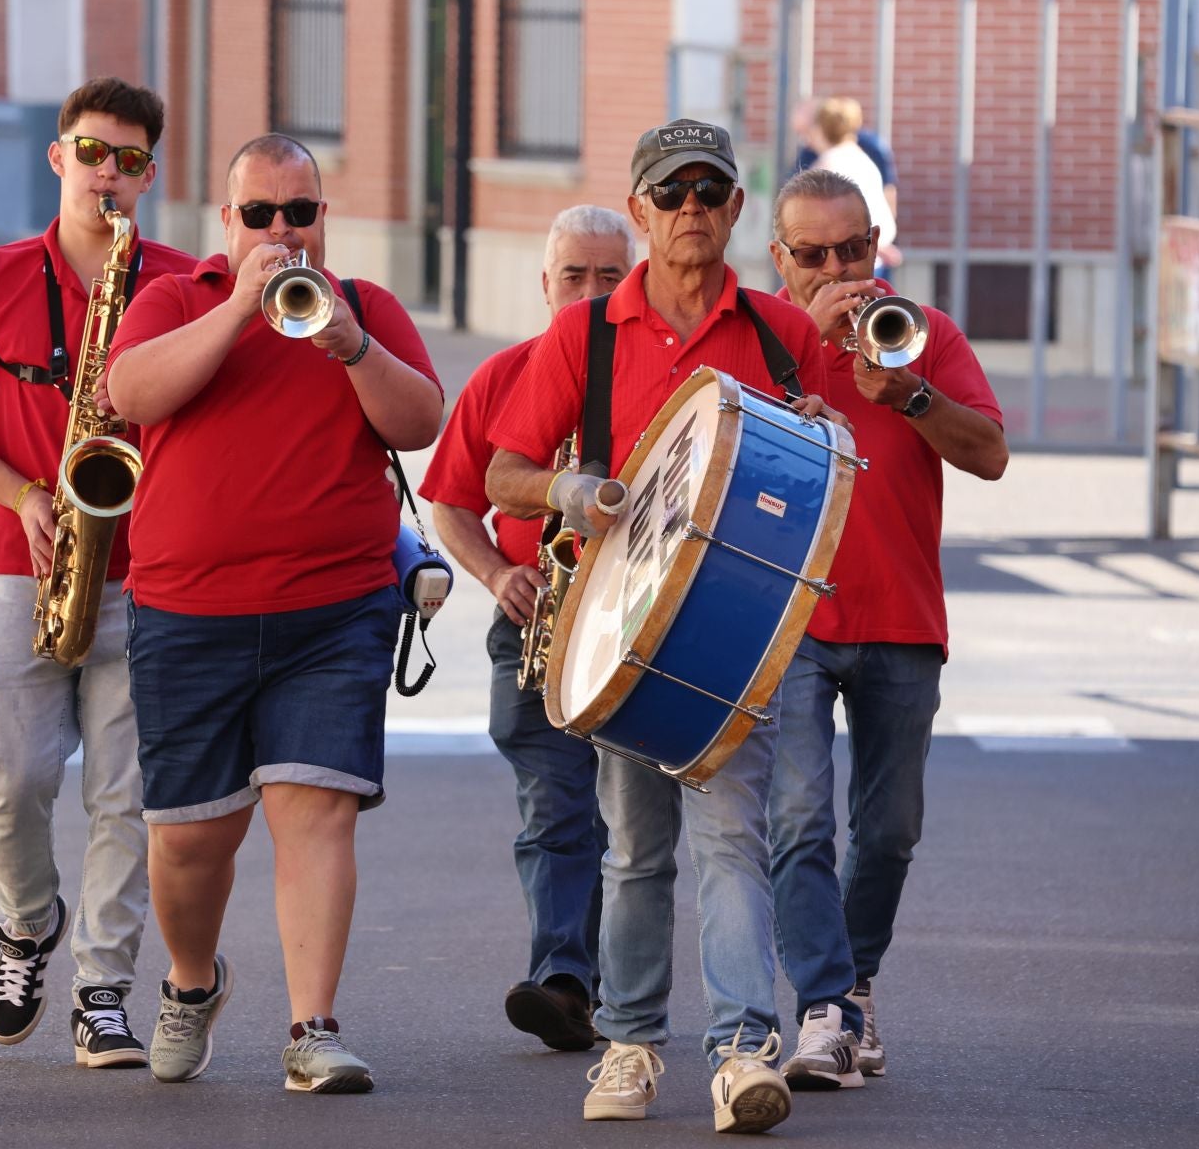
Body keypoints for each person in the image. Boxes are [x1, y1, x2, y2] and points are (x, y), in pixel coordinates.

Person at [486, 119, 839, 1134]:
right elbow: (499, 470)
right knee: (636, 853)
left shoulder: (780, 331)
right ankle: (632, 1047)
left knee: (732, 845)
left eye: (709, 190)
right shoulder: (583, 332)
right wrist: (570, 485)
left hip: (737, 638)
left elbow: (822, 473)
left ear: (734, 208)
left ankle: (739, 1055)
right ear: (639, 211)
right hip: (616, 635)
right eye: (670, 192)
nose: (691, 207)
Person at [105, 132, 443, 1093]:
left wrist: (351, 345)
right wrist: (242, 308)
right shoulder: (176, 299)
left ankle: (313, 1027)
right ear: (229, 222)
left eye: (300, 212)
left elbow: (421, 423)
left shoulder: (364, 308)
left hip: (333, 608)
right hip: (189, 610)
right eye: (261, 214)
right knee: (190, 840)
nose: (282, 230)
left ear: (323, 217)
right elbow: (130, 393)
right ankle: (189, 980)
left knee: (316, 815)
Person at [0, 76, 198, 1067]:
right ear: (58, 158)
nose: (108, 174)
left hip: (146, 572)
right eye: (92, 153)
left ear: (151, 173)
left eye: (129, 159)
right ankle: (28, 920)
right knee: (12, 780)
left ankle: (103, 989)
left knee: (123, 795)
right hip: (19, 560)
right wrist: (22, 493)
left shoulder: (180, 280)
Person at [764, 167, 1006, 1091]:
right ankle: (824, 1009)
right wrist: (801, 343)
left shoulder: (924, 332)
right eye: (815, 255)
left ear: (879, 244)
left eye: (855, 249)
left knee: (891, 829)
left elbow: (989, 453)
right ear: (780, 258)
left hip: (902, 615)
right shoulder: (760, 335)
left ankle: (851, 990)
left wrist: (908, 395)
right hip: (787, 617)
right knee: (796, 820)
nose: (839, 270)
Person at [417, 205, 633, 1051]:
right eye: (573, 276)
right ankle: (563, 979)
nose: (589, 291)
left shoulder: (653, 374)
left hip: (633, 626)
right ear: (545, 285)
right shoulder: (505, 375)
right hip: (535, 624)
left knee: (622, 818)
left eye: (609, 277)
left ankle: (610, 984)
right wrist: (498, 572)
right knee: (554, 808)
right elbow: (450, 500)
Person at [802, 98, 900, 273]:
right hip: (872, 252)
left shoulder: (828, 165)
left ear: (819, 129)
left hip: (849, 259)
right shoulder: (861, 158)